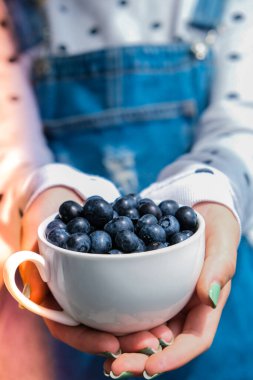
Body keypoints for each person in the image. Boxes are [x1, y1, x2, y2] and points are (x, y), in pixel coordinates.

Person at [0, 0, 253, 379]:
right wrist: (37, 190)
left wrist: (211, 190)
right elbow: (11, 141)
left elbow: (242, 122)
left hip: (211, 309)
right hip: (56, 325)